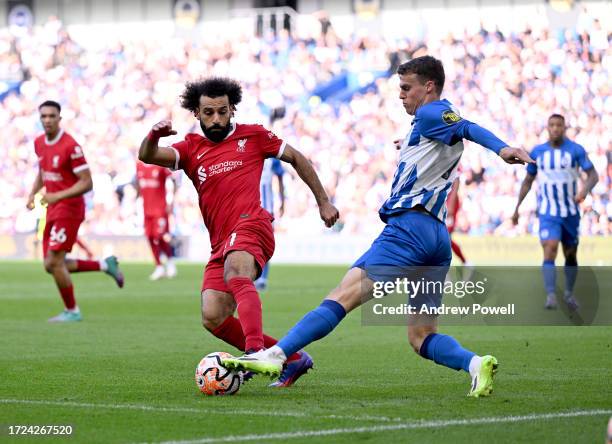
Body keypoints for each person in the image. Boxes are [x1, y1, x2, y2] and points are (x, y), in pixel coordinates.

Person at [222, 56, 534, 397]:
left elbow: (466, 127)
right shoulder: (427, 127)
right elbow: (446, 140)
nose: (400, 95)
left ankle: (276, 354)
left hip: (408, 230)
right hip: (436, 237)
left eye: (406, 88)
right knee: (421, 336)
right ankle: (475, 364)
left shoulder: (433, 113)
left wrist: (502, 148)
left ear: (428, 86)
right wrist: (410, 144)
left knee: (341, 296)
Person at [138, 77, 339, 386]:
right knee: (213, 316)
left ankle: (256, 351)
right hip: (221, 241)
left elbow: (297, 157)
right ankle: (293, 358)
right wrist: (153, 135)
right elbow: (148, 156)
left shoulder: (255, 136)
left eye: (222, 111)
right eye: (208, 113)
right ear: (196, 113)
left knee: (236, 272)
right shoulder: (191, 148)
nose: (216, 119)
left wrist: (323, 201)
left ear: (232, 109)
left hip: (252, 224)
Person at [26, 100, 125, 322]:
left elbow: (87, 182)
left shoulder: (71, 146)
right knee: (51, 265)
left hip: (69, 208)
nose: (48, 120)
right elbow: (44, 171)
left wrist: (58, 195)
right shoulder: (39, 143)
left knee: (53, 262)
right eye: (44, 116)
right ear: (40, 119)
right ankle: (103, 264)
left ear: (60, 119)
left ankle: (73, 311)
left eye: (52, 116)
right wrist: (33, 193)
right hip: (52, 207)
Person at [512, 114, 598, 310]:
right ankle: (551, 295)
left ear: (564, 127)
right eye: (552, 125)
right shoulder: (538, 152)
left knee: (570, 255)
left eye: (559, 125)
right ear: (547, 128)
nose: (555, 128)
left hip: (570, 212)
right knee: (550, 249)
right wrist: (517, 208)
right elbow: (528, 181)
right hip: (548, 212)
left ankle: (568, 294)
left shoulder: (576, 150)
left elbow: (593, 175)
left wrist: (584, 191)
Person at [136, 161, 177, 280]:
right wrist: (137, 199)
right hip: (146, 209)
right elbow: (139, 183)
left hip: (160, 209)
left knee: (159, 236)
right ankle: (159, 266)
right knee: (149, 237)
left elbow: (172, 181)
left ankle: (169, 262)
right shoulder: (139, 165)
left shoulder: (160, 165)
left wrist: (171, 201)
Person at [254, 157, 285, 290]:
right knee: (251, 243)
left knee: (264, 244)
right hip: (251, 207)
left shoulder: (272, 157)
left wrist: (283, 201)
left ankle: (262, 278)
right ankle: (254, 275)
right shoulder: (248, 150)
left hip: (267, 209)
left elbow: (280, 177)